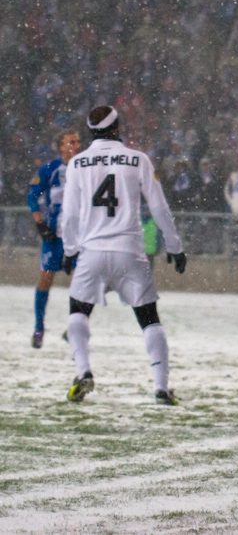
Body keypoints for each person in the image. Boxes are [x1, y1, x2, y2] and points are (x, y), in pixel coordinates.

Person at [60, 106, 187, 404]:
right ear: (116, 127)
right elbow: (159, 206)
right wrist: (174, 246)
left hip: (92, 250)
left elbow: (69, 214)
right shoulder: (137, 159)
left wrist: (69, 249)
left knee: (78, 311)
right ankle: (160, 387)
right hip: (130, 251)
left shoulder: (77, 163)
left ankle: (84, 372)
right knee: (149, 319)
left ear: (91, 131)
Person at [26, 128, 81, 348]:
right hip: (55, 236)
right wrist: (40, 223)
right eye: (71, 142)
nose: (76, 146)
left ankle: (75, 328)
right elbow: (33, 195)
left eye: (78, 142)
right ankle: (39, 328)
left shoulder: (86, 168)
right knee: (46, 278)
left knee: (82, 284)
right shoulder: (51, 169)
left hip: (79, 237)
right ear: (60, 147)